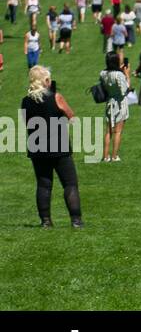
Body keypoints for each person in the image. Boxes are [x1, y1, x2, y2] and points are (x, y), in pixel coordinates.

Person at [21, 66, 84, 228]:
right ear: (46, 81)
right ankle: (76, 221)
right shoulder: (56, 97)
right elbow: (71, 116)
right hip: (59, 146)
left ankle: (46, 221)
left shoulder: (25, 101)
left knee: (43, 185)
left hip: (37, 147)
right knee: (70, 183)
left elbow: (26, 123)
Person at [100, 51, 131, 162]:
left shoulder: (103, 73)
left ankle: (105, 156)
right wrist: (127, 75)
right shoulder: (119, 75)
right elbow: (125, 90)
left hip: (109, 102)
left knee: (108, 131)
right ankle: (114, 156)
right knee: (117, 131)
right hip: (120, 104)